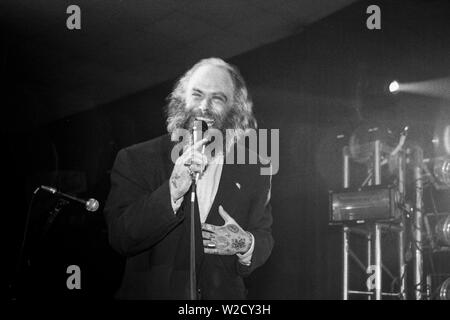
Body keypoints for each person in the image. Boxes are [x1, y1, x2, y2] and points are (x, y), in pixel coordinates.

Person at [104, 58, 273, 300]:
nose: (204, 106)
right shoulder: (136, 158)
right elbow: (120, 237)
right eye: (197, 94)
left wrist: (246, 243)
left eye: (217, 98)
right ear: (181, 100)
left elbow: (264, 235)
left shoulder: (254, 168)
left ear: (233, 110)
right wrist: (172, 190)